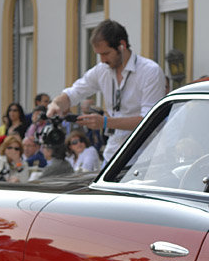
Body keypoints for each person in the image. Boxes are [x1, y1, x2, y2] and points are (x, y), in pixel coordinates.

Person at [47, 19, 166, 163]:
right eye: (99, 55)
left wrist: (105, 122)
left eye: (106, 53)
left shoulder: (150, 71)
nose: (102, 60)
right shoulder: (102, 70)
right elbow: (73, 93)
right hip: (112, 156)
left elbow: (149, 120)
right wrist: (55, 104)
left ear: (121, 46)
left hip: (145, 158)